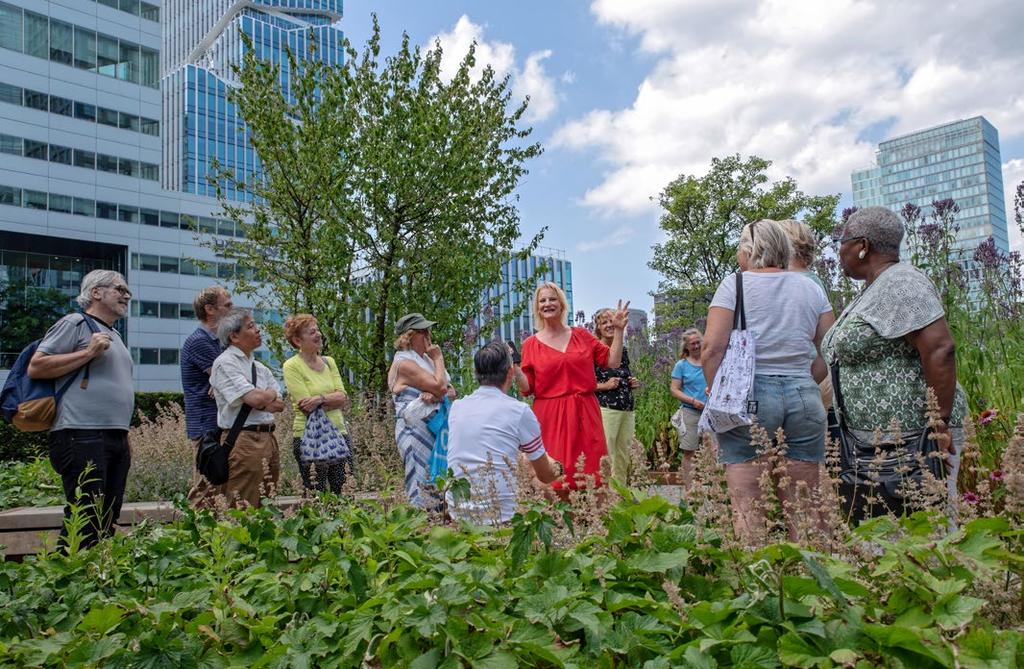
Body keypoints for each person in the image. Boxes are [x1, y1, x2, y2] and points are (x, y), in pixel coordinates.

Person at [701, 220, 833, 543]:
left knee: (748, 504)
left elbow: (711, 348)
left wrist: (716, 387)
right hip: (803, 395)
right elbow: (829, 348)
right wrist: (805, 379)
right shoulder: (811, 288)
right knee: (804, 505)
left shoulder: (734, 285)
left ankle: (757, 580)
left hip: (750, 396)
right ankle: (809, 580)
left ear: (748, 251)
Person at [822, 206, 965, 502]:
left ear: (862, 246)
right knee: (894, 535)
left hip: (915, 440)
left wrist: (938, 425)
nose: (840, 252)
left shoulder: (902, 282)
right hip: (881, 445)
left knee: (929, 531)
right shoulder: (878, 286)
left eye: (842, 242)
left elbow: (940, 348)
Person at [28, 269, 134, 549]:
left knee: (107, 514)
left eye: (127, 291)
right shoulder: (76, 323)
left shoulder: (114, 335)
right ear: (96, 292)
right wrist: (88, 353)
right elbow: (37, 366)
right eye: (119, 289)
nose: (127, 295)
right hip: (80, 433)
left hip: (114, 436)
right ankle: (69, 579)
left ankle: (96, 577)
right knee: (85, 513)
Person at [513, 282, 629, 489]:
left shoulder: (581, 335)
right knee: (553, 478)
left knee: (594, 476)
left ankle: (595, 518)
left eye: (552, 299)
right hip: (550, 415)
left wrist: (619, 331)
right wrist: (514, 369)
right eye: (543, 300)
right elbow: (527, 388)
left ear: (561, 304)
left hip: (584, 411)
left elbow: (613, 361)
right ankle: (557, 519)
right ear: (537, 307)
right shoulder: (530, 343)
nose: (548, 304)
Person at [446, 341, 563, 524]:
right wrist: (557, 466)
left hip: (459, 516)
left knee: (521, 460)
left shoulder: (457, 407)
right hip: (503, 519)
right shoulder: (519, 411)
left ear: (477, 374)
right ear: (510, 373)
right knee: (538, 468)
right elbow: (545, 475)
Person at [208, 308, 285, 508]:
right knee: (242, 506)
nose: (258, 330)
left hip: (269, 439)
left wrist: (260, 398)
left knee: (267, 502)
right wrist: (265, 395)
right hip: (244, 441)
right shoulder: (225, 363)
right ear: (234, 336)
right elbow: (255, 399)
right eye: (251, 326)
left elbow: (279, 405)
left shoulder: (260, 367)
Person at [388, 312, 456, 509]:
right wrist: (439, 358)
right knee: (420, 480)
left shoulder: (424, 360)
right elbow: (441, 386)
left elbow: (450, 390)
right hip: (414, 431)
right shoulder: (404, 363)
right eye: (423, 330)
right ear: (409, 336)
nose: (428, 334)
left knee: (437, 479)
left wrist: (435, 395)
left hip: (434, 428)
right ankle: (423, 525)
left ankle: (438, 522)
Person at [282, 314, 352, 494]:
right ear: (298, 340)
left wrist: (319, 399)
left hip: (339, 434)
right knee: (316, 493)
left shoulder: (329, 362)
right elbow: (305, 406)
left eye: (318, 330)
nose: (319, 334)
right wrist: (331, 399)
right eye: (312, 332)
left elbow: (343, 398)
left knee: (344, 491)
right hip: (309, 437)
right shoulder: (291, 366)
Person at [180, 286, 232, 507]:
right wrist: (225, 382)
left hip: (221, 420)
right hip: (207, 425)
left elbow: (233, 380)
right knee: (206, 487)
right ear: (210, 309)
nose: (233, 309)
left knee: (222, 485)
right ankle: (196, 535)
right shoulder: (199, 341)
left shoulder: (224, 342)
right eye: (227, 305)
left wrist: (226, 382)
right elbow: (231, 380)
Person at [592, 308, 639, 483]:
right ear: (598, 327)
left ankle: (620, 495)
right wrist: (604, 385)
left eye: (612, 321)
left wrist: (632, 382)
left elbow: (624, 374)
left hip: (626, 407)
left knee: (623, 455)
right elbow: (583, 383)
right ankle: (605, 494)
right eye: (604, 322)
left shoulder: (623, 350)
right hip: (606, 408)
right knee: (607, 453)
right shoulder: (594, 351)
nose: (609, 325)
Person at [669, 328, 707, 488]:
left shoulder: (709, 360)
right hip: (690, 411)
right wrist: (692, 400)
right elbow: (674, 390)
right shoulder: (681, 365)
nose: (697, 346)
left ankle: (715, 488)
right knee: (689, 451)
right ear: (686, 346)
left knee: (714, 450)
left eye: (698, 342)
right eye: (693, 344)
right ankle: (689, 490)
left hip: (710, 412)